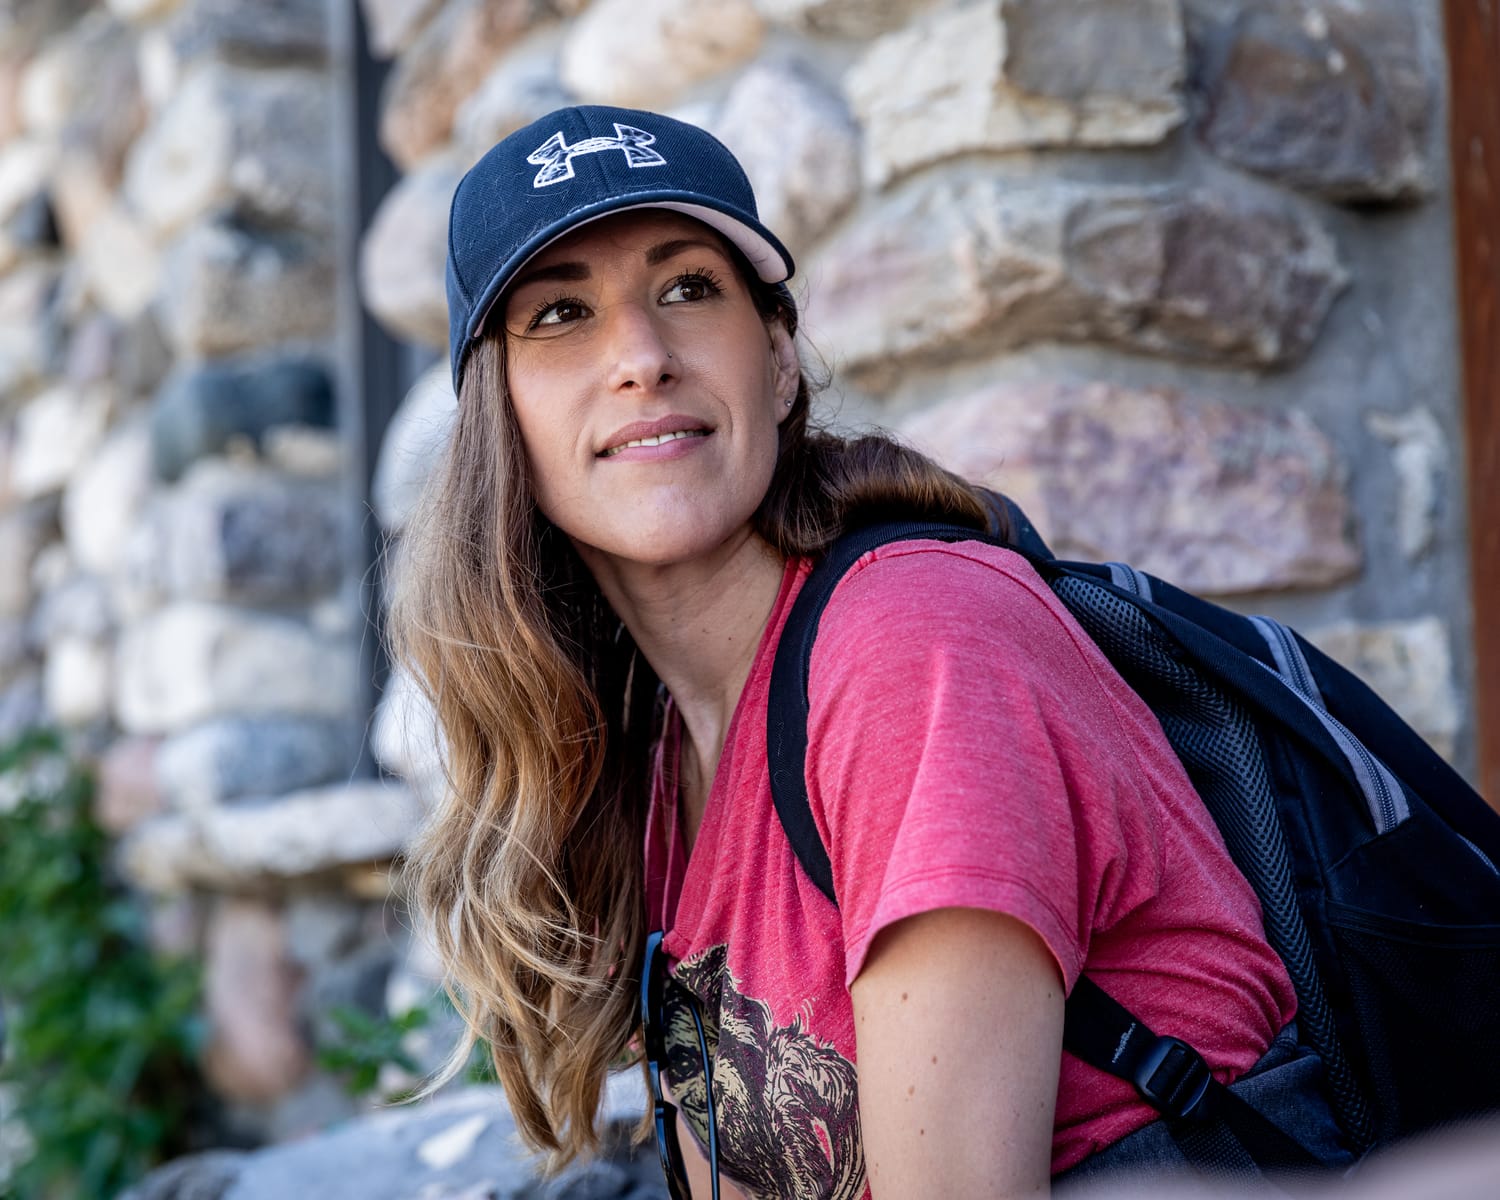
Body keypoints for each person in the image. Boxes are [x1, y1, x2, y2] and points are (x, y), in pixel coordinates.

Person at [390, 105, 1348, 1199]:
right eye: (561, 314)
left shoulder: (915, 646)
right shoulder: (652, 751)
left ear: (778, 362)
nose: (642, 359)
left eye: (689, 288)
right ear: (499, 419)